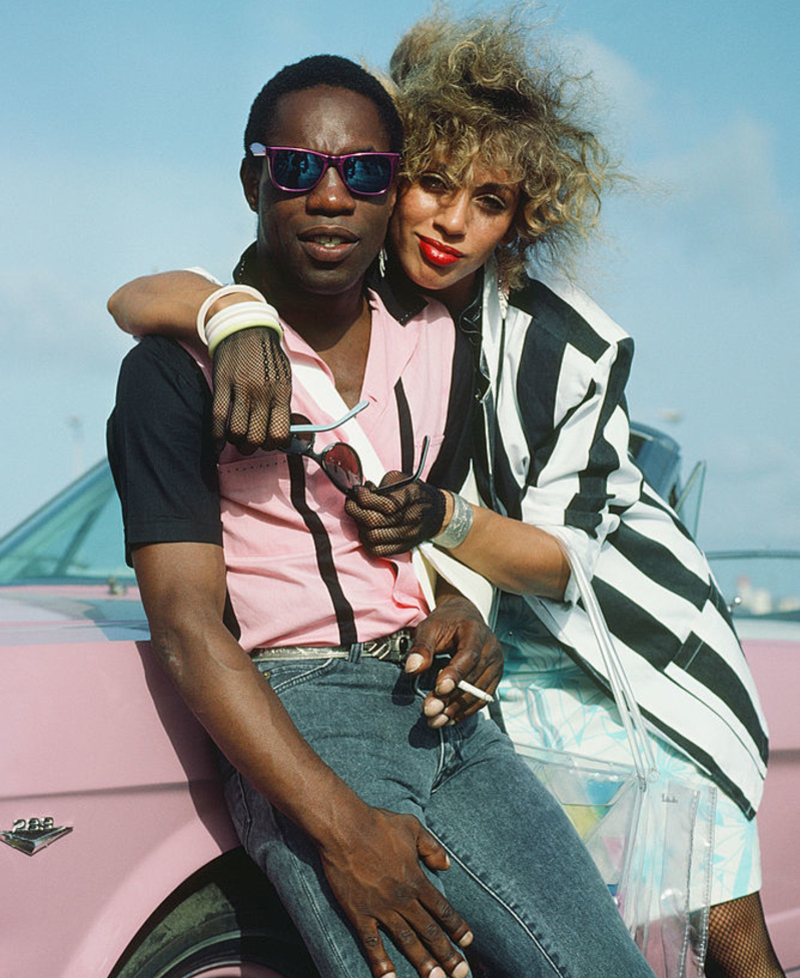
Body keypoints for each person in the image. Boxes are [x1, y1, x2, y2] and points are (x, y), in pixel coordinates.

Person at [107, 13, 784, 978]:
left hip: (498, 676)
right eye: (298, 170)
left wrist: (463, 604)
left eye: (367, 175)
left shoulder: (444, 340)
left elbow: (452, 537)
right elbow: (185, 627)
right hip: (307, 708)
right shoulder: (182, 367)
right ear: (253, 180)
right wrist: (341, 830)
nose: (333, 199)